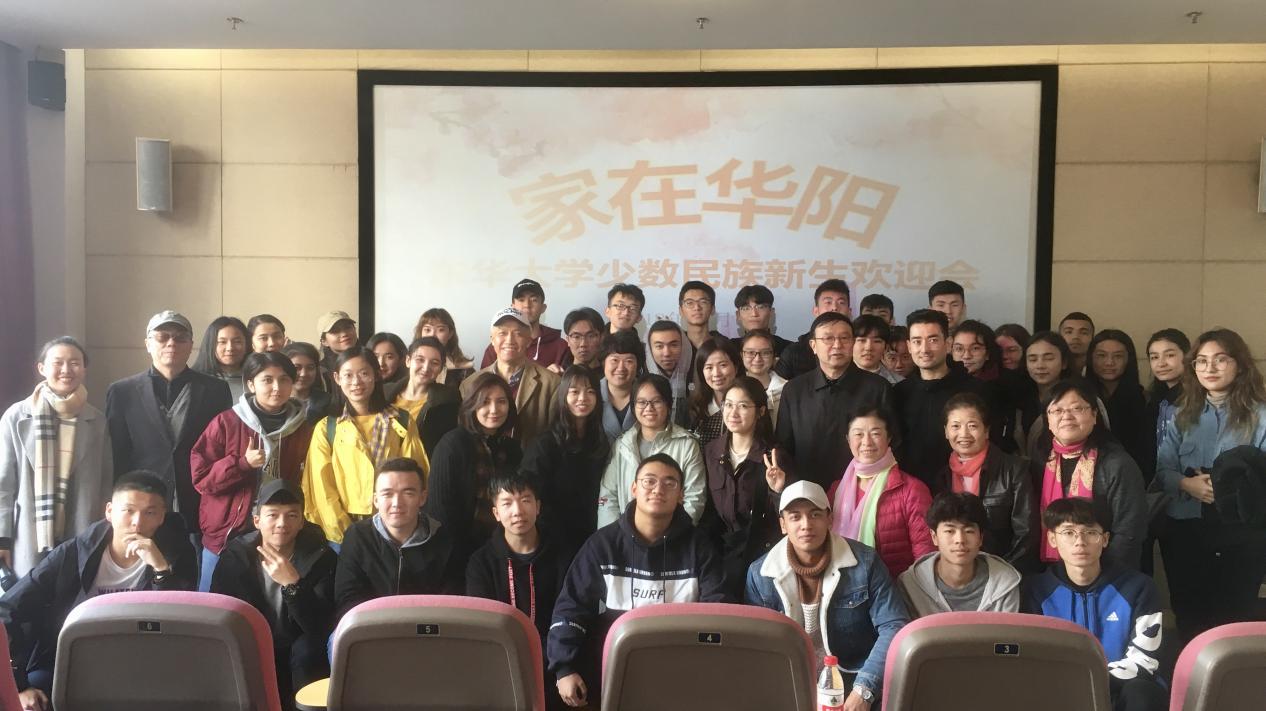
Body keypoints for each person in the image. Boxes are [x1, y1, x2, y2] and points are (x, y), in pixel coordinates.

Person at [0, 472, 196, 709]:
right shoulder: (73, 553)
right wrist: (18, 685)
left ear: (162, 517)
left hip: (141, 662)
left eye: (150, 513)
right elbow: (7, 609)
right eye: (128, 510)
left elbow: (179, 626)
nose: (137, 522)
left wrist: (161, 570)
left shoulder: (177, 555)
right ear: (109, 511)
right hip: (68, 660)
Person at [549, 453, 726, 708]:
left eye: (669, 483)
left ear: (681, 495)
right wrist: (564, 667)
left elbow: (718, 610)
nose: (658, 489)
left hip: (681, 667)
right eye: (649, 481)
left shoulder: (700, 548)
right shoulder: (603, 545)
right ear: (634, 488)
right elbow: (572, 607)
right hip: (614, 667)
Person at [746, 480, 909, 705]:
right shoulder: (760, 574)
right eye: (795, 517)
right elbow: (757, 645)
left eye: (815, 515)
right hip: (790, 683)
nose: (806, 525)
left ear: (830, 519)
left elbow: (893, 625)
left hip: (855, 679)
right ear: (783, 524)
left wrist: (864, 690)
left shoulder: (866, 562)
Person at [1156, 328, 1266, 643]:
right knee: (1189, 611)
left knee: (1234, 614)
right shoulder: (1181, 414)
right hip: (1187, 525)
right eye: (1201, 361)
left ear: (1239, 364)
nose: (1210, 368)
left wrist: (1232, 487)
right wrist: (1186, 483)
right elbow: (1162, 470)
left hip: (1241, 528)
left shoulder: (1260, 414)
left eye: (1220, 359)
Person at [1023, 498, 1167, 711]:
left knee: (1143, 693)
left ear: (1105, 539)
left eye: (1090, 532)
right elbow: (1031, 656)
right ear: (1052, 539)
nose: (1080, 542)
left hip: (1122, 685)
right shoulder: (1035, 590)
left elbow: (1146, 658)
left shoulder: (1138, 587)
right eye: (1069, 532)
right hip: (1059, 685)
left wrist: (1093, 680)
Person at [191, 352, 314, 591]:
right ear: (250, 384)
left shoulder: (303, 429)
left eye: (284, 379)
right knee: (213, 602)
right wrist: (242, 464)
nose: (276, 387)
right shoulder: (226, 422)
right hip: (227, 532)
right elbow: (201, 478)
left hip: (280, 534)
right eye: (267, 380)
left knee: (273, 602)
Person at [209, 480, 336, 711]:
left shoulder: (321, 557)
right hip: (253, 641)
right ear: (257, 520)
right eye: (273, 515)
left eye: (291, 515)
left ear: (302, 522)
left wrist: (293, 584)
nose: (282, 523)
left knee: (307, 650)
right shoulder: (236, 557)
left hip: (299, 645)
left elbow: (321, 625)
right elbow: (220, 613)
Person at [106, 311, 232, 536]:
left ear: (191, 345)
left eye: (180, 338)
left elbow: (222, 448)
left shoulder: (216, 390)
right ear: (148, 344)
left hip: (198, 498)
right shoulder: (122, 392)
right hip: (142, 502)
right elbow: (117, 452)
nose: (171, 343)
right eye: (162, 337)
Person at [0, 337, 113, 577]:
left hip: (81, 523)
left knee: (74, 589)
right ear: (42, 368)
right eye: (58, 362)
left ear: (84, 369)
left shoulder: (97, 420)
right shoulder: (16, 417)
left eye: (75, 363)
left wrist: (104, 532)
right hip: (28, 530)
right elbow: (3, 483)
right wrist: (2, 538)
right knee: (29, 592)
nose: (66, 369)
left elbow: (106, 481)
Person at [466, 474, 574, 711]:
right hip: (500, 663)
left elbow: (568, 615)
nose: (517, 511)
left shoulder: (563, 556)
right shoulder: (481, 563)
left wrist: (558, 664)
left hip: (554, 663)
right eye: (507, 503)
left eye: (525, 500)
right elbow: (483, 626)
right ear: (496, 513)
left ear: (538, 506)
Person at [303, 346, 429, 546]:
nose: (356, 382)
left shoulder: (401, 421)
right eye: (348, 375)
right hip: (344, 530)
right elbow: (321, 487)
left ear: (376, 375)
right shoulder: (327, 428)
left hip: (393, 526)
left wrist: (399, 522)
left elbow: (414, 475)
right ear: (337, 378)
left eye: (364, 373)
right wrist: (345, 532)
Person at [1032, 379, 1148, 571]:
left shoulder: (1117, 463)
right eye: (1057, 410)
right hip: (1051, 571)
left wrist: (1099, 575)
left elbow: (1130, 529)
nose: (1067, 416)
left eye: (1077, 409)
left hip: (1106, 570)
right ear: (1048, 420)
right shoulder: (1040, 460)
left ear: (1094, 415)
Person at [776, 312, 891, 490]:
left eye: (844, 338)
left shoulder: (878, 388)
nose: (837, 345)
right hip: (807, 491)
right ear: (813, 345)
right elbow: (784, 448)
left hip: (864, 490)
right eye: (828, 338)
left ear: (852, 342)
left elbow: (891, 444)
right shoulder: (794, 389)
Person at [334, 458, 460, 617]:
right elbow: (347, 599)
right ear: (376, 500)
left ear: (422, 498)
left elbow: (450, 603)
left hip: (425, 626)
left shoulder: (443, 539)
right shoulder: (357, 536)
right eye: (387, 494)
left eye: (408, 493)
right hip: (371, 625)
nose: (397, 503)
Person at [425, 373, 523, 575]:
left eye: (501, 401)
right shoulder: (452, 445)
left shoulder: (511, 448)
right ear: (472, 405)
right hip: (457, 555)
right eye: (485, 402)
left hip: (501, 549)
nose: (494, 409)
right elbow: (440, 512)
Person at [703, 377, 792, 599]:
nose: (733, 413)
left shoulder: (773, 456)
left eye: (743, 406)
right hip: (720, 554)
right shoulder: (711, 452)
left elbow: (786, 516)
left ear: (760, 411)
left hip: (761, 555)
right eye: (728, 405)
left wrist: (778, 491)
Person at [829, 407, 935, 579]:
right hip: (842, 587)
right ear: (848, 439)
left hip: (898, 589)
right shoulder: (836, 490)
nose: (867, 442)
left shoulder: (912, 490)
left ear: (889, 438)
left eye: (875, 433)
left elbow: (925, 553)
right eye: (858, 434)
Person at [935, 393, 1035, 571]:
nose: (964, 434)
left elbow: (1026, 532)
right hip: (958, 572)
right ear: (946, 432)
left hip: (1005, 571)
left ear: (986, 430)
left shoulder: (1014, 469)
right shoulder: (942, 476)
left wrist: (1003, 573)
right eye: (955, 426)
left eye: (972, 426)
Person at [520, 366, 611, 553]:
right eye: (574, 392)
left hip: (591, 535)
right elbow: (529, 495)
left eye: (590, 392)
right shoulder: (544, 445)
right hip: (553, 539)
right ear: (563, 396)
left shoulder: (600, 442)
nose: (583, 398)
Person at [598, 375, 706, 527]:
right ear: (633, 407)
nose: (649, 408)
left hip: (672, 535)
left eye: (657, 401)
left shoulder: (687, 444)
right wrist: (616, 537)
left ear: (669, 405)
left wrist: (672, 535)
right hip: (625, 535)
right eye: (642, 402)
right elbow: (608, 496)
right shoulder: (622, 444)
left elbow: (695, 498)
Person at [893, 309, 984, 488]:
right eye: (917, 342)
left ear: (948, 344)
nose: (924, 349)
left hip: (964, 488)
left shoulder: (975, 391)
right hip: (911, 491)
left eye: (933, 340)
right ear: (909, 346)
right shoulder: (898, 393)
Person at [898, 492, 1022, 616]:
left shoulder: (1005, 583)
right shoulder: (911, 584)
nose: (960, 540)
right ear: (934, 537)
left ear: (980, 538)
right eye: (949, 531)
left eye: (969, 531)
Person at [461, 308, 560, 446]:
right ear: (492, 340)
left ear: (529, 340)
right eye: (502, 333)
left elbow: (555, 437)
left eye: (518, 333)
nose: (509, 340)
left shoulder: (552, 384)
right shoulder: (469, 384)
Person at [385, 336, 460, 459]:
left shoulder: (447, 399)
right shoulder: (384, 392)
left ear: (441, 368)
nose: (426, 368)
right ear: (408, 361)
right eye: (420, 360)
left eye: (434, 363)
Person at [1089, 330, 1152, 476]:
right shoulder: (1079, 397)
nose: (1109, 362)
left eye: (1118, 356)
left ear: (1128, 360)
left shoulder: (1144, 398)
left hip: (1133, 475)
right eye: (1101, 356)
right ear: (1090, 359)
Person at [479, 278, 570, 370]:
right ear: (512, 307)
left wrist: (554, 377)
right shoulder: (499, 346)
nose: (527, 305)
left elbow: (571, 378)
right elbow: (484, 378)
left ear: (543, 307)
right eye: (521, 300)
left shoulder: (561, 346)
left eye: (534, 300)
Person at [773, 279, 851, 380]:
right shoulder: (794, 352)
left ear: (849, 311)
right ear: (816, 311)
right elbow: (778, 387)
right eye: (828, 302)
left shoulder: (858, 346)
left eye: (841, 302)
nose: (834, 308)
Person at [1017, 331, 1076, 452]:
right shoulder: (1019, 398)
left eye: (1048, 358)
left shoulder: (1080, 399)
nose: (1040, 366)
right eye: (1032, 359)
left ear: (1064, 363)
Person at [1144, 329, 1190, 476]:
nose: (1161, 363)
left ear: (1187, 356)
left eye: (1170, 355)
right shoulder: (1155, 398)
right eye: (1154, 357)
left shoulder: (1196, 398)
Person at [689, 337, 746, 446]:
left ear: (736, 367)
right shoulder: (695, 406)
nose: (716, 373)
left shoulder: (750, 403)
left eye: (723, 365)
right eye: (709, 367)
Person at [598, 330, 644, 442]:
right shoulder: (592, 392)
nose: (621, 368)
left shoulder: (648, 395)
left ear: (638, 365)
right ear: (604, 363)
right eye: (614, 360)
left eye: (629, 361)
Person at [645, 320, 692, 426]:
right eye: (659, 346)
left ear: (683, 346)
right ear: (650, 349)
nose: (666, 353)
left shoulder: (695, 374)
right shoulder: (642, 380)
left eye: (673, 345)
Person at [413, 307, 475, 387]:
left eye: (440, 330)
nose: (432, 335)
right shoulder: (411, 364)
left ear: (450, 334)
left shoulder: (465, 370)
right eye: (427, 330)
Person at [193, 316, 250, 401]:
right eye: (222, 342)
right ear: (211, 345)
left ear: (247, 344)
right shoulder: (195, 382)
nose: (230, 348)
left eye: (237, 341)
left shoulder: (256, 380)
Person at [740, 330, 787, 427]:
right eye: (750, 352)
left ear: (774, 356)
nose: (757, 359)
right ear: (742, 355)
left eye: (765, 353)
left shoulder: (787, 389)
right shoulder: (734, 388)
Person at [730, 284, 792, 356]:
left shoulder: (789, 349)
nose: (754, 314)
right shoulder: (729, 349)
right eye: (746, 308)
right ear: (738, 315)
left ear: (771, 312)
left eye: (761, 307)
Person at [282, 342, 333, 426]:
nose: (303, 374)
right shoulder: (274, 401)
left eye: (310, 368)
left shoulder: (329, 402)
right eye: (297, 368)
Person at [852, 315, 902, 385]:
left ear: (886, 347)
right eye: (862, 340)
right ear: (851, 343)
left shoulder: (899, 383)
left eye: (877, 341)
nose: (868, 348)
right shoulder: (837, 376)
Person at [678, 280, 721, 350]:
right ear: (681, 311)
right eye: (689, 303)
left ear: (712, 309)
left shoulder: (724, 346)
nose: (697, 307)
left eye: (703, 302)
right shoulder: (675, 345)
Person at [317, 310, 359, 375]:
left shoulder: (371, 358)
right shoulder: (320, 371)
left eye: (347, 327)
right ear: (324, 341)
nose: (344, 334)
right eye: (335, 331)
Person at [1058, 311, 1096, 375]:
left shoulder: (1100, 370)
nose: (1075, 337)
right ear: (1059, 337)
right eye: (1069, 332)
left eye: (1084, 333)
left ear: (1092, 338)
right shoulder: (1051, 371)